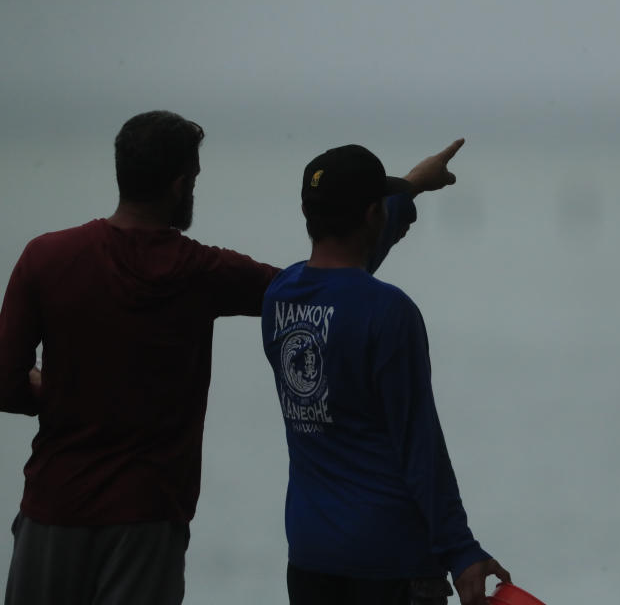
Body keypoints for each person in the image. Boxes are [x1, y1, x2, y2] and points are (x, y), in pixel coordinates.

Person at [0, 110, 464, 605]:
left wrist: (58, 392)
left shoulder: (45, 258)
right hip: (147, 518)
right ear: (181, 185)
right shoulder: (199, 271)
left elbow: (5, 386)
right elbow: (323, 290)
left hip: (53, 508)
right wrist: (406, 189)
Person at [261, 144, 511, 605]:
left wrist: (413, 183)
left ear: (306, 212)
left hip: (311, 557)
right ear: (373, 213)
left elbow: (344, 278)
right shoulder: (390, 312)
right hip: (391, 562)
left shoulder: (281, 297)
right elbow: (419, 444)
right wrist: (461, 549)